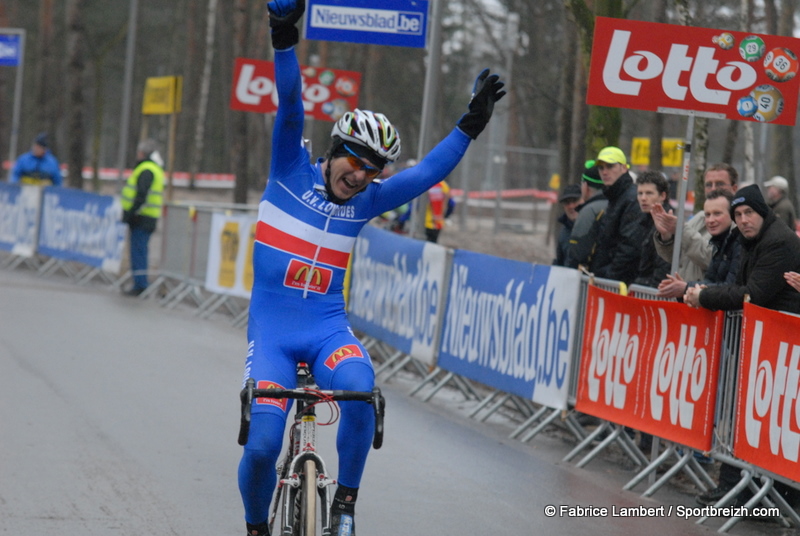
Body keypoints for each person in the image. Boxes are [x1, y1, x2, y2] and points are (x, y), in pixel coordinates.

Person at [239, 2, 505, 535]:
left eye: (372, 169)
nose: (360, 176)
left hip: (326, 330)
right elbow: (290, 104)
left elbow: (429, 170)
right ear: (335, 149)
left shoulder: (365, 202)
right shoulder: (289, 170)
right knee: (265, 444)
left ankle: (345, 505)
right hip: (273, 332)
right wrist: (283, 34)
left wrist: (469, 124)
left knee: (362, 390)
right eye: (354, 160)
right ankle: (255, 527)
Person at [685, 184, 800, 507]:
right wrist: (704, 291)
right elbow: (737, 285)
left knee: (774, 422)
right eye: (738, 215)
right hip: (764, 344)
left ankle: (775, 495)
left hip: (782, 346)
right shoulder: (749, 239)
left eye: (749, 212)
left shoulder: (778, 242)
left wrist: (703, 296)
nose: (744, 220)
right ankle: (735, 484)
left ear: (762, 211)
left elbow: (753, 294)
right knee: (746, 415)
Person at [651, 163, 739, 281]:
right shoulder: (699, 217)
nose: (713, 189)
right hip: (685, 294)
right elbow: (675, 257)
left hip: (705, 294)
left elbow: (713, 259)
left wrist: (681, 230)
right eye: (708, 185)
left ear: (734, 188)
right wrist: (666, 235)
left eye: (719, 184)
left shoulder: (739, 221)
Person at [658, 190, 740, 299]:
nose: (711, 220)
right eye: (707, 215)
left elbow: (729, 288)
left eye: (717, 214)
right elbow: (711, 281)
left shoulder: (738, 242)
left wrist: (686, 288)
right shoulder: (719, 240)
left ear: (732, 214)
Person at [587, 146, 645, 285]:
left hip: (620, 283)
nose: (605, 171)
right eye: (601, 168)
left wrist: (608, 276)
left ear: (624, 168)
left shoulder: (631, 198)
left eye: (610, 166)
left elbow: (630, 246)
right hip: (610, 279)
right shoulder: (615, 196)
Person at [120, 139, 165, 296]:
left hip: (142, 217)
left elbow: (141, 195)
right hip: (147, 216)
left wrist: (131, 212)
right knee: (140, 250)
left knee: (138, 251)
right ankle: (139, 282)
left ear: (143, 153)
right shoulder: (154, 168)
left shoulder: (146, 169)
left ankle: (140, 284)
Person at [633, 171, 672, 288]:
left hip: (652, 292)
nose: (643, 198)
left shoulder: (668, 223)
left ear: (662, 196)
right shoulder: (641, 220)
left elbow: (664, 266)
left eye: (649, 193)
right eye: (640, 193)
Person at [567, 160, 607, 269]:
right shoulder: (616, 205)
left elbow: (578, 252)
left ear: (585, 186)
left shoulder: (589, 211)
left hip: (593, 276)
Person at [553, 183, 582, 266]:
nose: (571, 206)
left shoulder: (594, 226)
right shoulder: (563, 233)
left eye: (575, 200)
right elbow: (560, 262)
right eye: (567, 203)